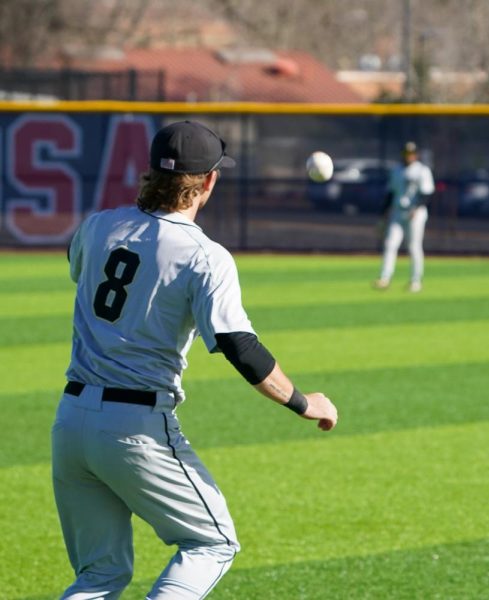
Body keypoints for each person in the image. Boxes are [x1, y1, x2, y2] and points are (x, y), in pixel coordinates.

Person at [53, 120, 338, 599]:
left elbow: (78, 266)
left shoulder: (98, 225)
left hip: (70, 421)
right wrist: (303, 402)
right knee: (213, 542)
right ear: (208, 181)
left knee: (99, 576)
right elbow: (239, 347)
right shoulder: (205, 256)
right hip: (134, 427)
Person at [373, 141, 435, 292]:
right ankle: (385, 278)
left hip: (416, 214)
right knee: (390, 244)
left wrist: (417, 208)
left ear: (416, 155)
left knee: (414, 246)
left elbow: (427, 194)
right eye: (407, 153)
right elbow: (390, 193)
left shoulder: (422, 170)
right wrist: (382, 215)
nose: (409, 156)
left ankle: (416, 280)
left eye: (412, 153)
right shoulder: (396, 170)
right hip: (397, 211)